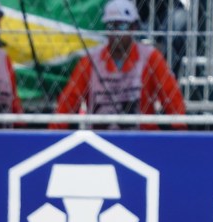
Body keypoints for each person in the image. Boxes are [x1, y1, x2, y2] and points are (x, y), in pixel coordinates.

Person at [52, 0, 186, 130]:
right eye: (111, 26)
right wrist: (53, 134)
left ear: (134, 27)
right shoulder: (90, 61)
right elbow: (68, 101)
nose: (116, 33)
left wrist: (181, 134)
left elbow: (172, 98)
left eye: (122, 26)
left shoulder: (151, 58)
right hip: (100, 138)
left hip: (142, 137)